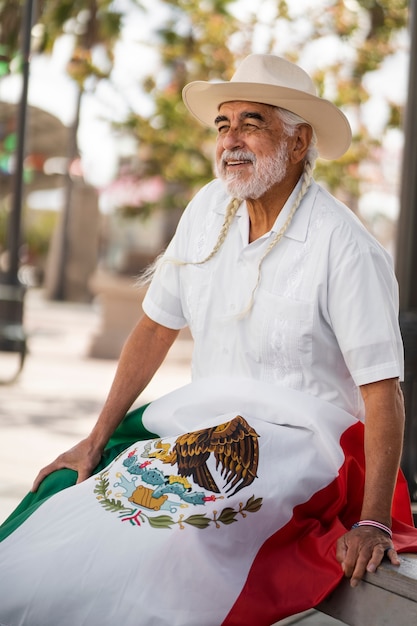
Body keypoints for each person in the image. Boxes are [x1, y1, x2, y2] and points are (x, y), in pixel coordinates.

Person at [1, 53, 416, 626]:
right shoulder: (206, 209)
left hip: (307, 451)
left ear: (298, 143)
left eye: (252, 123)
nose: (231, 140)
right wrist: (93, 439)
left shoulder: (345, 247)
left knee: (168, 548)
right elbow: (153, 328)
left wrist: (372, 521)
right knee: (68, 510)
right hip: (203, 435)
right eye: (224, 125)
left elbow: (382, 390)